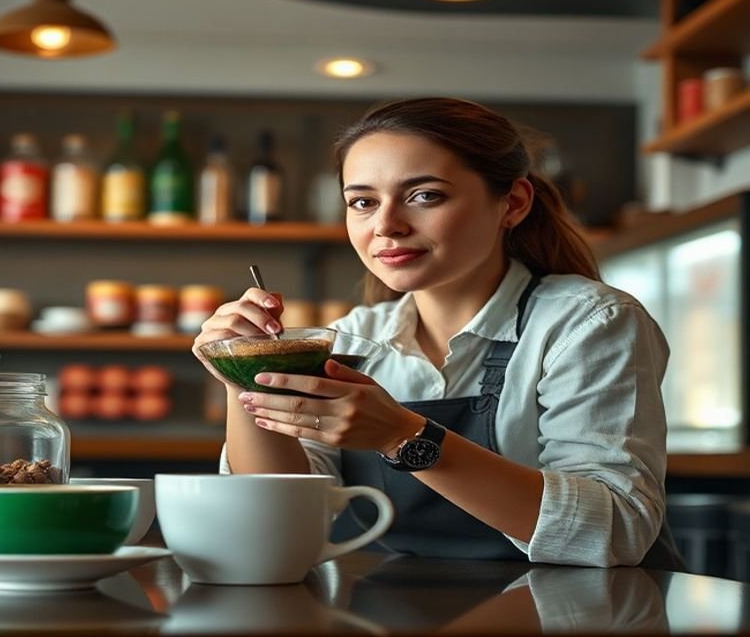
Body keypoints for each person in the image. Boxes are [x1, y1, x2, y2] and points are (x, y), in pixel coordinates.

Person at [192, 97, 684, 570]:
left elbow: (616, 530)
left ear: (512, 203)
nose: (386, 225)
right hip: (410, 611)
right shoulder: (351, 338)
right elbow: (276, 525)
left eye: (424, 196)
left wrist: (402, 434)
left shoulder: (589, 322)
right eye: (362, 202)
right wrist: (244, 370)